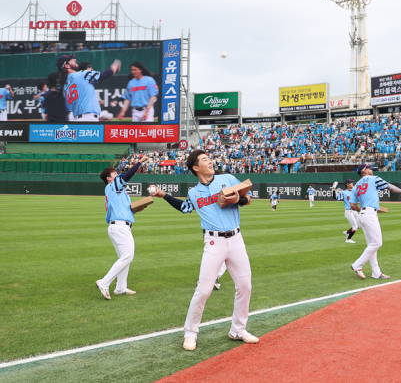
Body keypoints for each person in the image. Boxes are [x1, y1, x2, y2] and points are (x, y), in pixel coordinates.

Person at [148, 150, 258, 350]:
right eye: (205, 159)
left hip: (236, 239)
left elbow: (248, 199)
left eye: (209, 158)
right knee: (204, 290)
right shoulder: (193, 192)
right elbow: (184, 208)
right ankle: (190, 333)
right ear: (196, 168)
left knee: (245, 286)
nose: (210, 161)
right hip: (213, 242)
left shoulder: (228, 178)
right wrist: (163, 195)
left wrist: (238, 200)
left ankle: (238, 330)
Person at [96, 155, 149, 300]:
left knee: (124, 257)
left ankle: (120, 288)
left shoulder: (115, 191)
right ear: (109, 178)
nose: (117, 175)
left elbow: (121, 209)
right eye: (114, 174)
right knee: (127, 256)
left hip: (117, 225)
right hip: (119, 226)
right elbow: (127, 176)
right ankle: (104, 282)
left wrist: (135, 210)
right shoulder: (113, 185)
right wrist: (139, 162)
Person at [349, 164, 401, 279]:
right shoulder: (373, 178)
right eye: (369, 168)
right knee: (377, 243)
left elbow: (352, 205)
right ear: (364, 171)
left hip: (362, 214)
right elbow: (389, 187)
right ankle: (357, 265)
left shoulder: (356, 185)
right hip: (370, 214)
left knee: (372, 244)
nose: (371, 169)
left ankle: (376, 273)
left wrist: (363, 209)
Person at [58, 53, 121, 121]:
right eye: (71, 60)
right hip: (89, 118)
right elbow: (107, 73)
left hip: (76, 120)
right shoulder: (82, 75)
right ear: (67, 66)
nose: (75, 60)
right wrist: (116, 64)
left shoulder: (65, 85)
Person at [332, 179, 359, 244]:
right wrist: (334, 189)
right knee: (355, 227)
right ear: (347, 185)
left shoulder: (354, 192)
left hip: (355, 211)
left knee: (359, 225)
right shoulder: (344, 192)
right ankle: (348, 239)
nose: (352, 184)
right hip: (348, 211)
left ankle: (347, 232)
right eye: (351, 183)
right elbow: (335, 197)